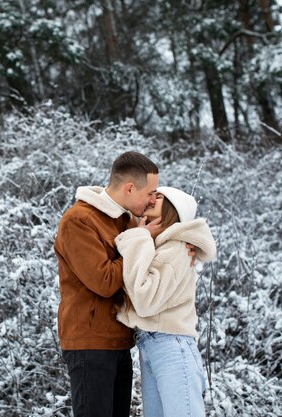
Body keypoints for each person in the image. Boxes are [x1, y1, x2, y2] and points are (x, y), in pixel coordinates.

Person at [53, 151, 160, 417]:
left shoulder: (125, 219)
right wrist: (138, 240)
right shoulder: (78, 220)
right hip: (90, 344)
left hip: (119, 340)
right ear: (129, 187)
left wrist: (186, 243)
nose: (152, 200)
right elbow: (105, 281)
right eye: (150, 193)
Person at [115, 186, 217, 417]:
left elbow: (144, 300)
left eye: (158, 197)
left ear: (173, 208)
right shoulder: (161, 246)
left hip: (171, 344)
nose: (151, 199)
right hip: (152, 344)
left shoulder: (176, 249)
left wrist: (137, 239)